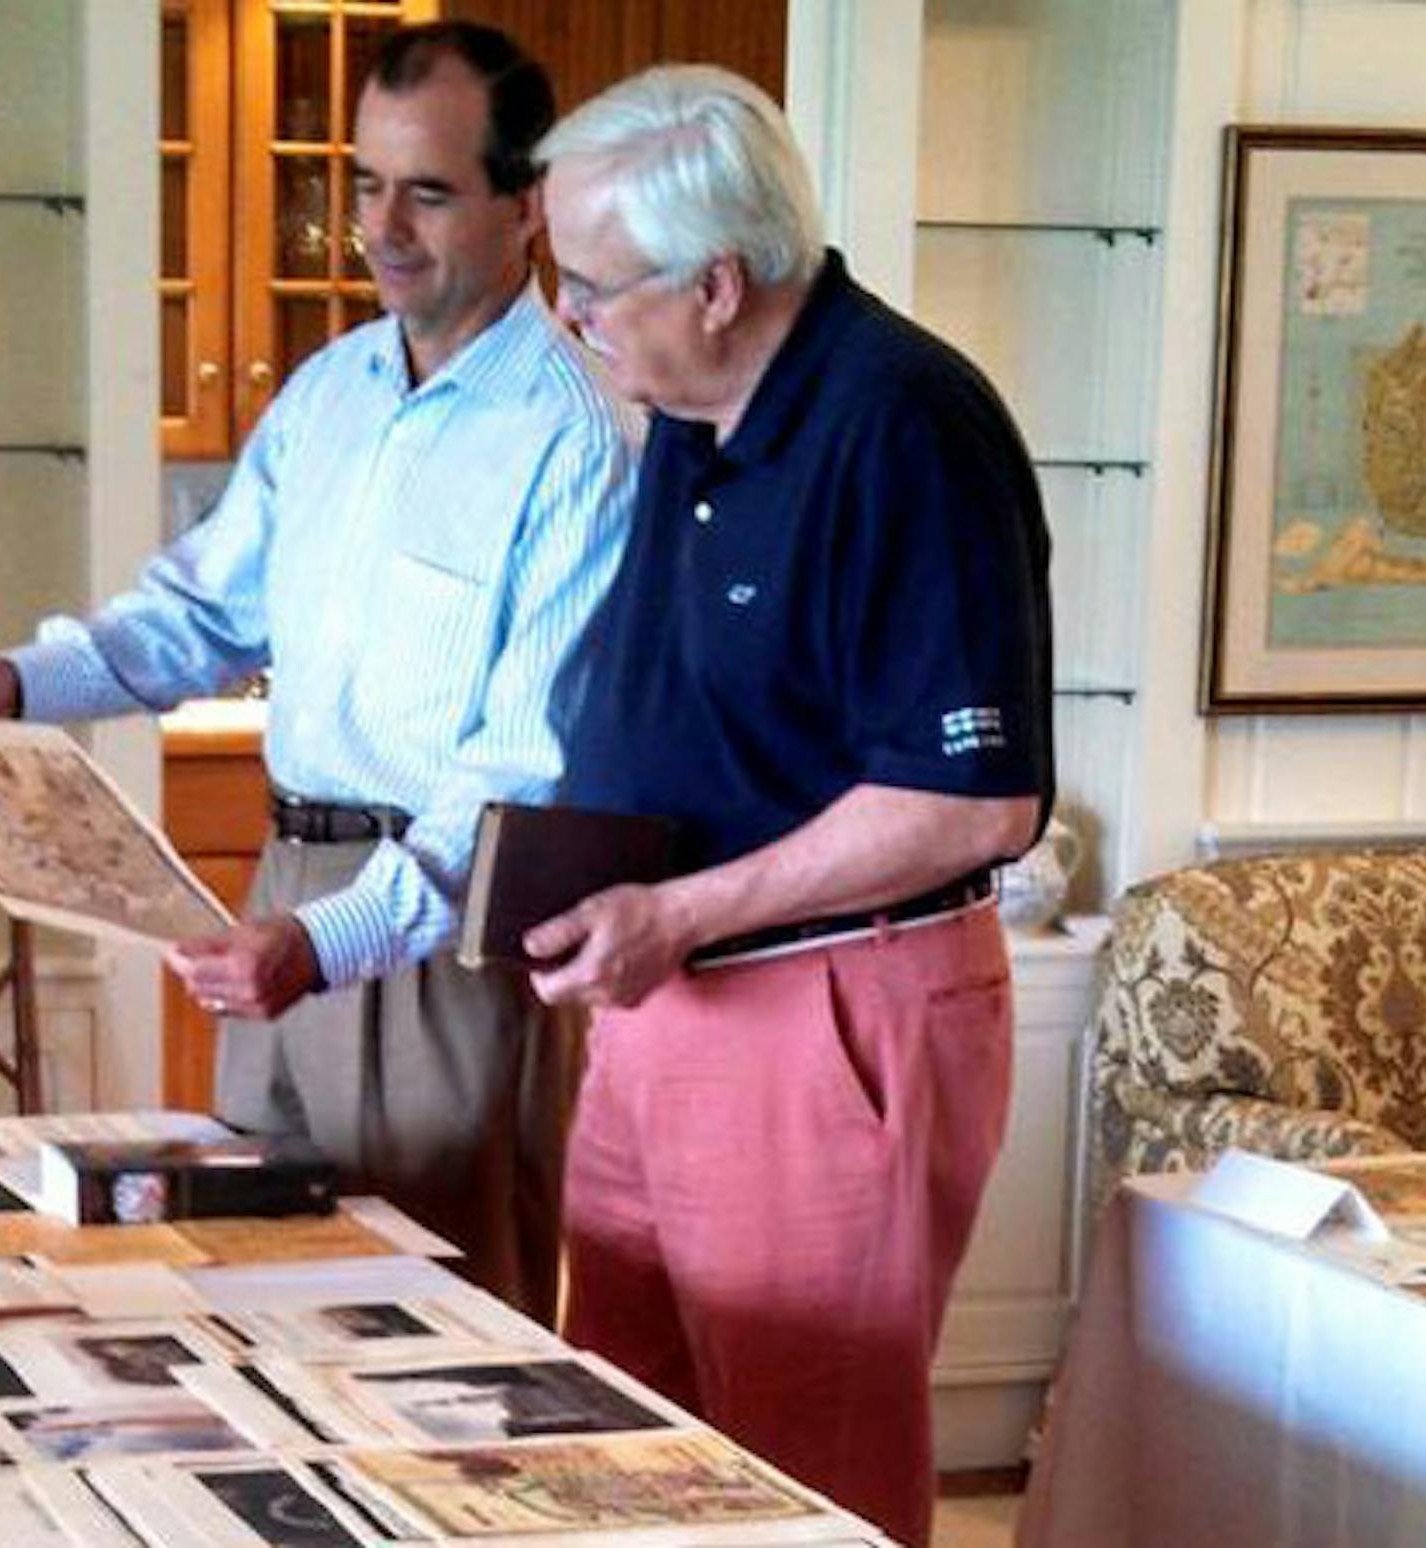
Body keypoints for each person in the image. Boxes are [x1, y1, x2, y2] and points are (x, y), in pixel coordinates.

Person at [0, 23, 638, 1327]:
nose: (381, 227)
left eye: (428, 190)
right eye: (363, 184)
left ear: (527, 205)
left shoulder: (576, 440)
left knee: (444, 1338)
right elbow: (193, 618)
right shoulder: (329, 395)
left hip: (439, 939)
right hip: (282, 895)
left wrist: (325, 942)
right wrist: (13, 683)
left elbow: (520, 774)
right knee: (256, 1302)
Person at [524, 66, 1053, 1548]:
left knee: (801, 1480)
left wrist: (680, 909)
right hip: (670, 1004)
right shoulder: (695, 403)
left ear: (714, 283)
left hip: (821, 1010)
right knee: (622, 1454)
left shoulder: (905, 426)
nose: (570, 316)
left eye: (590, 285)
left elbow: (972, 802)